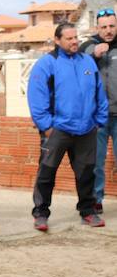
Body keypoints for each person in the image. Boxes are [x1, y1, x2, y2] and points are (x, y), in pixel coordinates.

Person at [28, 22, 108, 230]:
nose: (74, 42)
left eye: (76, 38)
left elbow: (100, 92)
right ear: (57, 40)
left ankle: (88, 212)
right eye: (69, 38)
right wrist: (46, 125)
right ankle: (41, 213)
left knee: (87, 174)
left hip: (86, 129)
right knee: (46, 173)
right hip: (57, 130)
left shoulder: (88, 62)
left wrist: (99, 120)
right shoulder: (47, 64)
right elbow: (37, 97)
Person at [80, 8, 117, 214]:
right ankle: (96, 199)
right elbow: (80, 65)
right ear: (97, 28)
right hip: (97, 118)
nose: (108, 30)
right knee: (96, 162)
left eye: (112, 26)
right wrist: (94, 54)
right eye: (104, 27)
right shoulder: (88, 46)